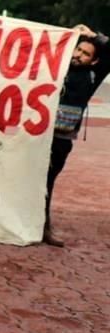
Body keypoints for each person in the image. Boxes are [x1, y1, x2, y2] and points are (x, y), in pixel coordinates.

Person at [44, 24, 109, 246]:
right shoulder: (56, 67)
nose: (79, 56)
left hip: (62, 138)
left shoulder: (92, 76)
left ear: (94, 61)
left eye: (86, 54)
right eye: (78, 50)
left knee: (48, 180)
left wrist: (93, 36)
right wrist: (66, 35)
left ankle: (43, 226)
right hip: (38, 135)